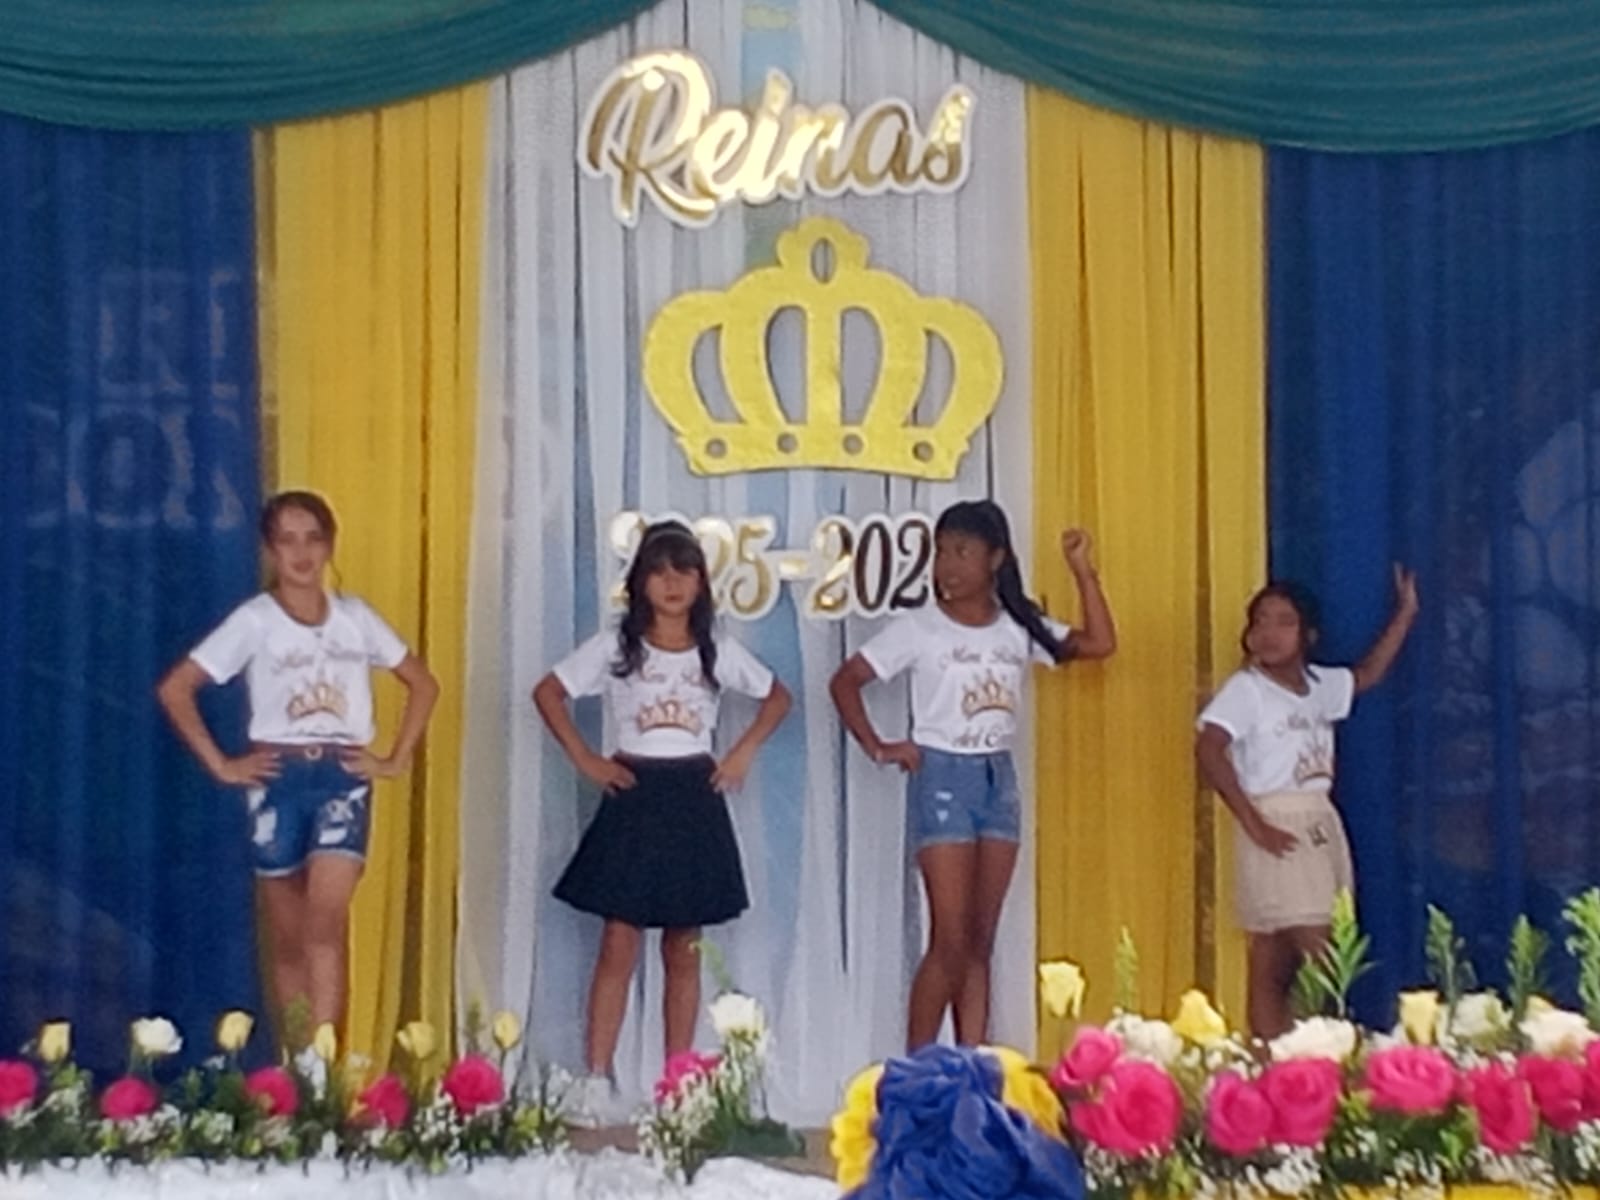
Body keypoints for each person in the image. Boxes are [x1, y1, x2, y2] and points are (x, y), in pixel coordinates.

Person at [157, 490, 439, 1065]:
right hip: (276, 777)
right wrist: (222, 763)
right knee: (288, 939)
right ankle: (298, 1063)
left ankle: (323, 1066)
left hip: (340, 777)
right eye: (287, 540)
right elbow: (177, 688)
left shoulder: (356, 619)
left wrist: (394, 758)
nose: (302, 552)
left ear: (330, 545)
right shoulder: (255, 621)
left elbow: (422, 683)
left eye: (312, 538)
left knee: (324, 922)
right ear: (269, 550)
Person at [829, 500, 1116, 1050]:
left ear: (995, 559)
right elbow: (846, 680)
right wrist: (879, 746)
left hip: (997, 777)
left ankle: (970, 1062)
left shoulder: (1017, 627)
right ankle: (916, 1067)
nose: (947, 566)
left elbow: (1100, 644)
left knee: (980, 940)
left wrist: (1083, 571)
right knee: (950, 939)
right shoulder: (920, 627)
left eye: (961, 552)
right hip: (942, 773)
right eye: (941, 553)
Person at [532, 521, 791, 1124]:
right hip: (635, 789)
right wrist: (586, 759)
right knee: (618, 939)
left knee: (684, 944)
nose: (672, 584)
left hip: (693, 793)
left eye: (684, 571)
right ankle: (596, 1077)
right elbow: (548, 692)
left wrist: (742, 751)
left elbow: (778, 697)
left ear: (701, 581)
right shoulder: (617, 648)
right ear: (640, 582)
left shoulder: (714, 649)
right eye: (659, 571)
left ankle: (678, 1081)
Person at [1196, 568, 1419, 1039]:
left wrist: (1405, 613)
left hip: (1317, 817)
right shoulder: (1248, 690)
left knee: (1276, 954)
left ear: (1308, 634)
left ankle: (1272, 1052)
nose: (1269, 633)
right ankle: (1322, 1045)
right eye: (1260, 622)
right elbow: (1209, 747)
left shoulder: (1319, 685)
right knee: (1318, 946)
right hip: (1276, 817)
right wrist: (1253, 822)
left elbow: (1367, 674)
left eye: (1284, 622)